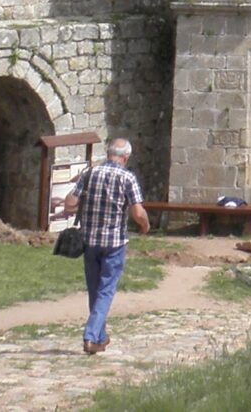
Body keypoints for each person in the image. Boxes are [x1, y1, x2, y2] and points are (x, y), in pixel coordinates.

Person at [55, 136, 149, 356]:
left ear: (108, 154)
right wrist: (145, 225)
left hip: (89, 241)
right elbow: (137, 212)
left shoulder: (90, 174)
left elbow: (70, 202)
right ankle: (90, 334)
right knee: (106, 291)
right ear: (126, 157)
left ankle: (99, 337)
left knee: (95, 290)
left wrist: (79, 208)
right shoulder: (128, 178)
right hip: (114, 242)